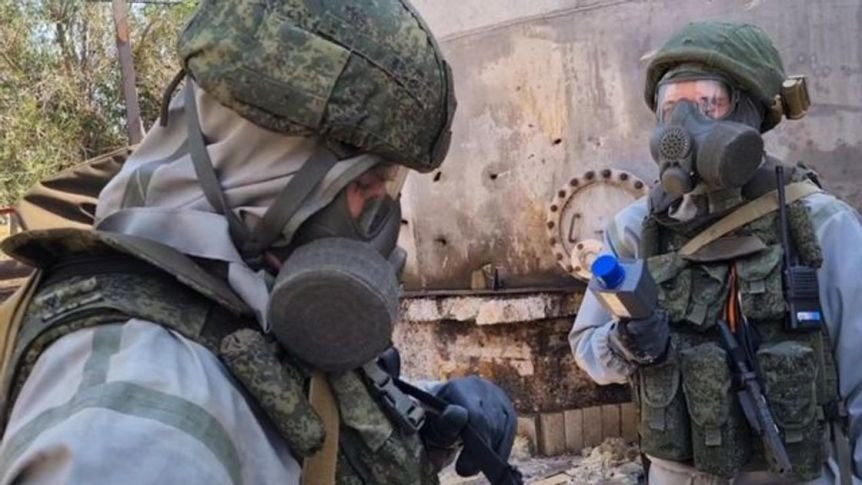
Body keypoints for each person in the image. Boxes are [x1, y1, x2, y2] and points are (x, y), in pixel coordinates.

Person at [0, 1, 517, 484]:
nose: (379, 216)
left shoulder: (227, 289)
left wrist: (425, 414)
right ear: (263, 164)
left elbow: (274, 418)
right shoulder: (138, 410)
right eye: (365, 182)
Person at [570, 21, 862, 484]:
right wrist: (624, 343)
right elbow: (587, 347)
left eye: (709, 103)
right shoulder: (637, 229)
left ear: (749, 112)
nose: (685, 126)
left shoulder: (821, 224)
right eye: (672, 107)